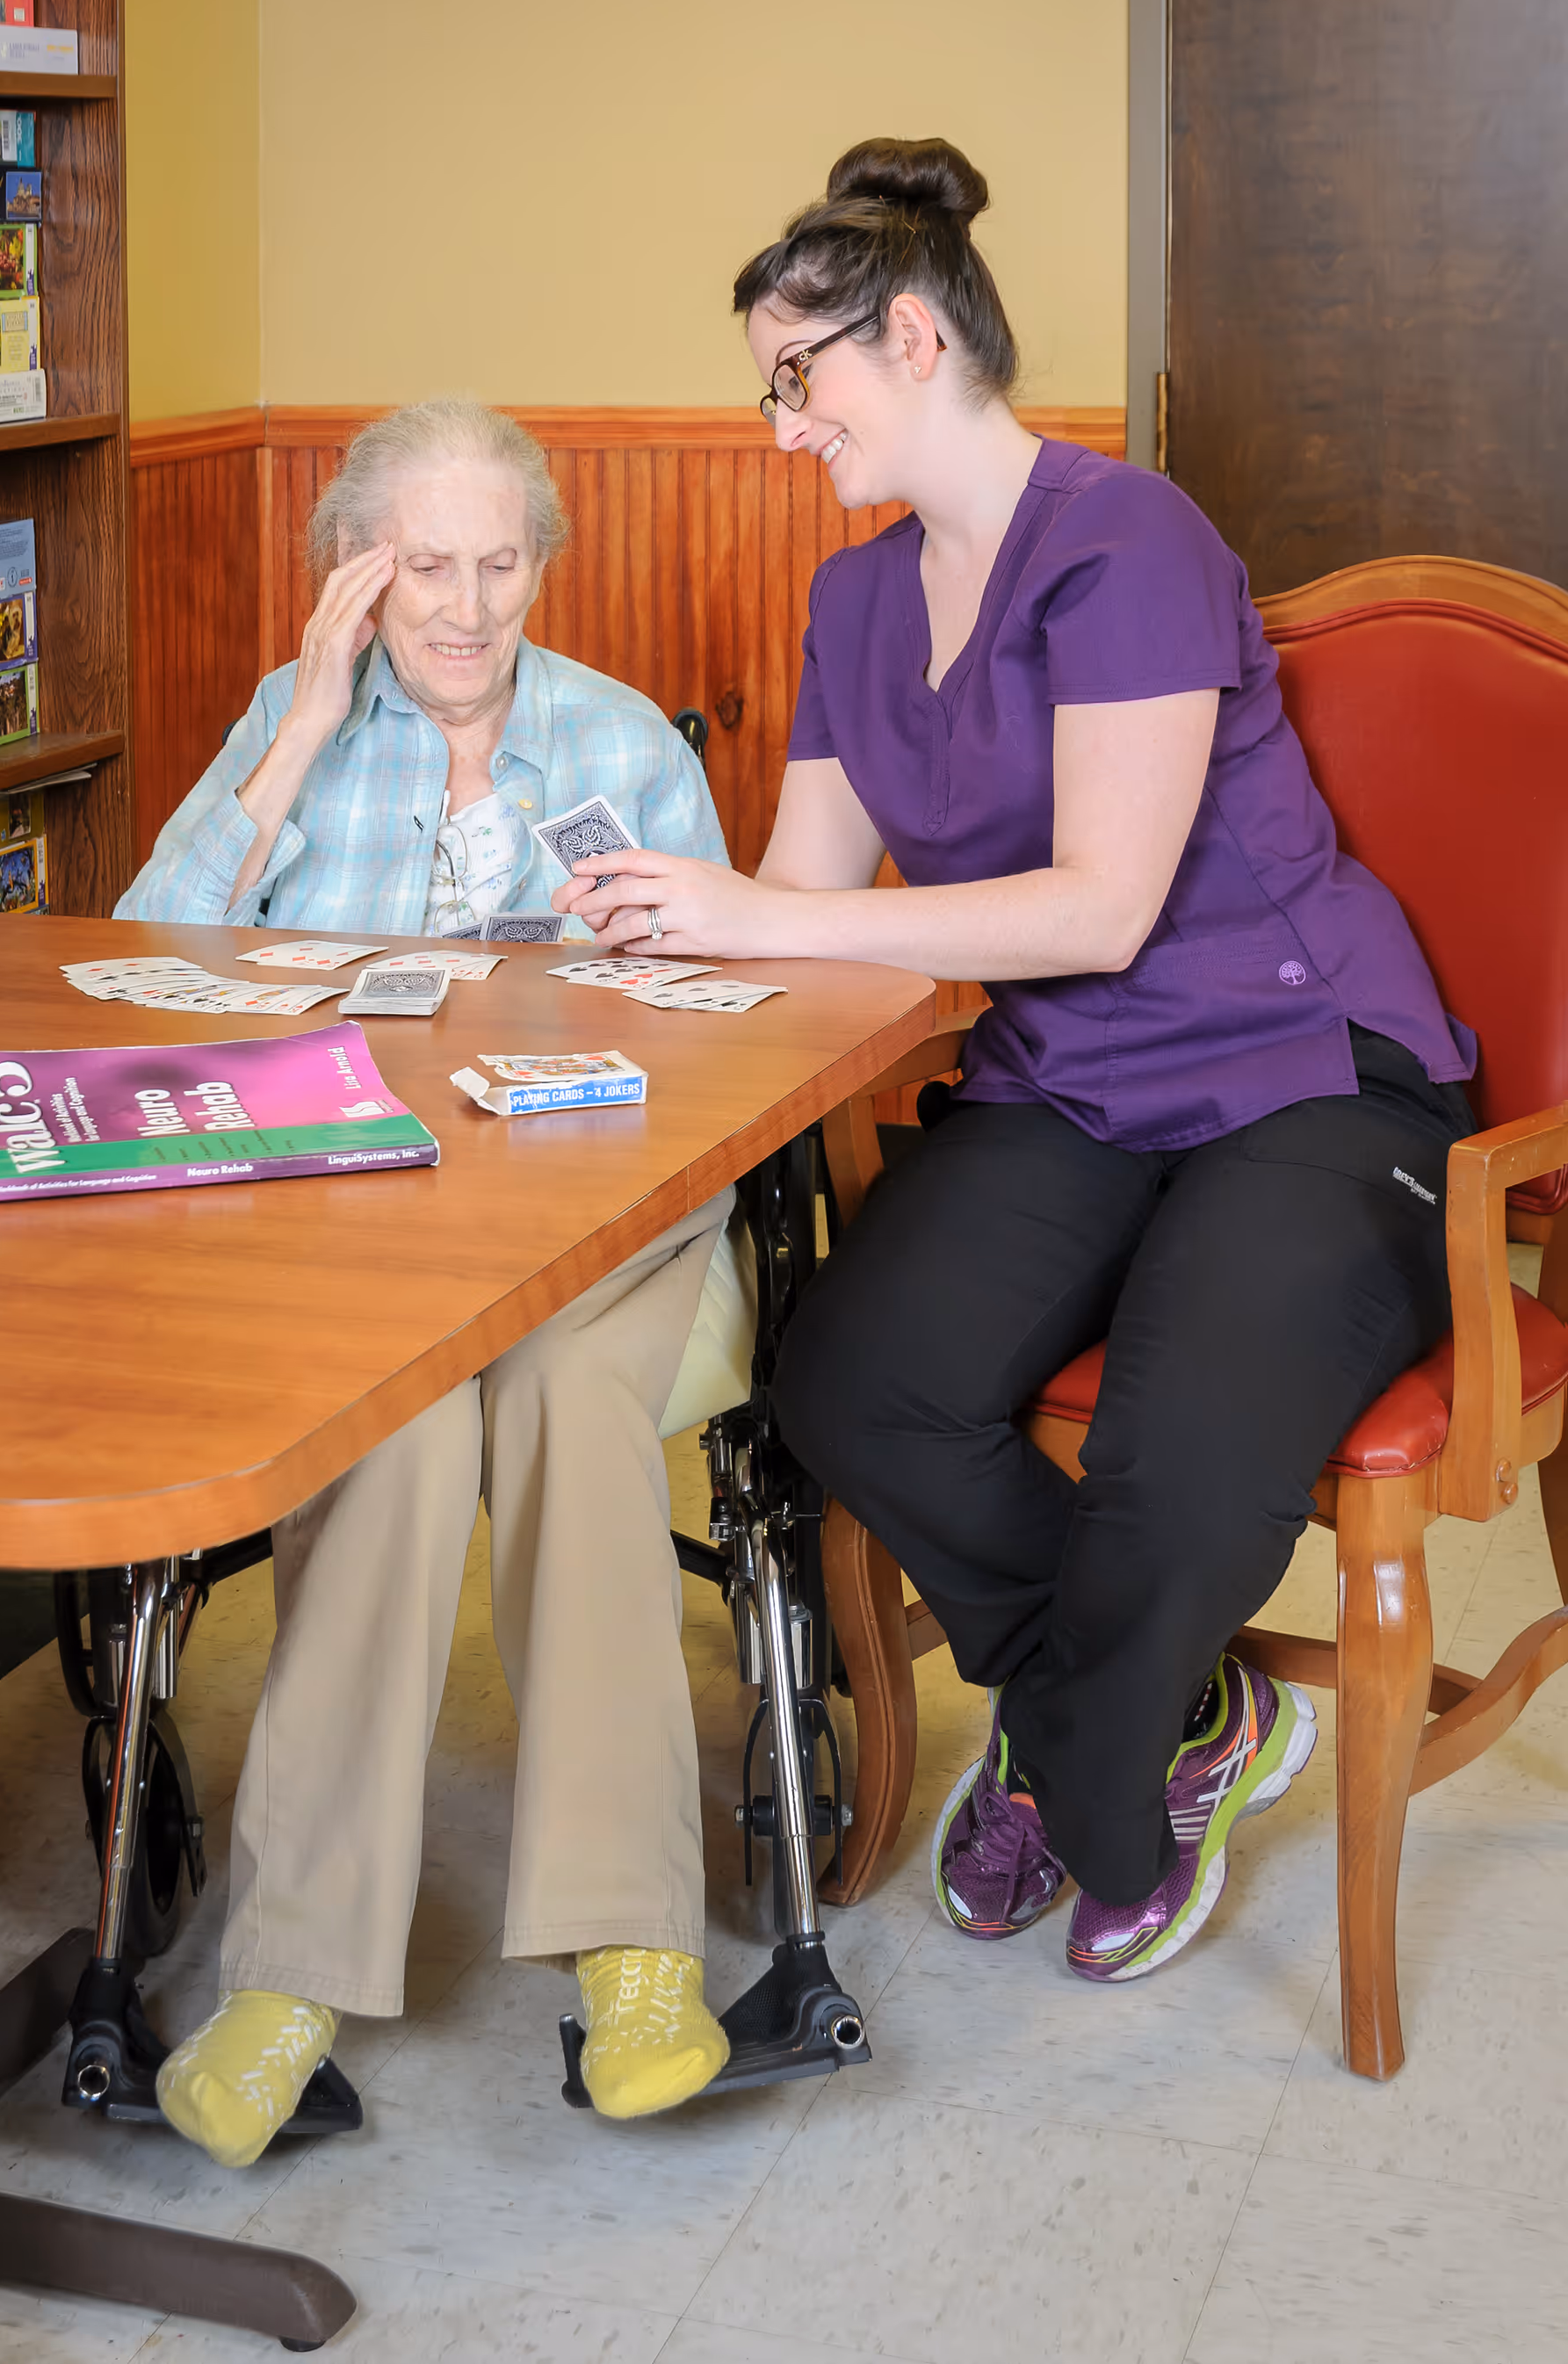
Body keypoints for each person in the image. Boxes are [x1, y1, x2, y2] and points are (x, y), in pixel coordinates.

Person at [553, 139, 1478, 1982]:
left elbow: (1100, 910)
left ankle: (1084, 1780)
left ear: (910, 337)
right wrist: (667, 937)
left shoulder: (1128, 533)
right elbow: (803, 899)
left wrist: (757, 913)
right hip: (1075, 1084)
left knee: (1174, 1448)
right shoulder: (858, 605)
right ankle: (1178, 1713)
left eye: (794, 381)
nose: (778, 427)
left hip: (1301, 1060)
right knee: (852, 1377)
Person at [117, 399, 737, 2156]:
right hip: (364, 1221)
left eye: (502, 561)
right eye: (425, 566)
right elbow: (143, 959)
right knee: (390, 1422)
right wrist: (299, 730)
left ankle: (633, 1943)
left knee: (558, 1398)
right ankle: (290, 1969)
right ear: (356, 571)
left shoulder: (620, 742)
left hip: (603, 1225)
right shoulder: (294, 729)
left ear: (541, 561)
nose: (466, 609)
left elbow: (729, 1020)